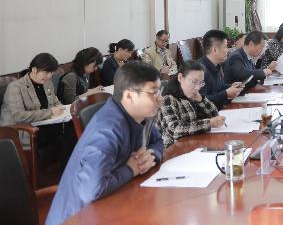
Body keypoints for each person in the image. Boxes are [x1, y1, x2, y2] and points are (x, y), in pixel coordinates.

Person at [46, 61, 165, 225]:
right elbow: (91, 190)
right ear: (129, 95)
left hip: (113, 201)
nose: (160, 98)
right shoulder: (107, 129)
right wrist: (132, 168)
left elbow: (158, 140)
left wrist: (150, 156)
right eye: (153, 92)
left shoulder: (140, 115)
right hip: (78, 216)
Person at [156, 60, 225, 147]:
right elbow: (174, 129)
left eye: (201, 83)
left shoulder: (191, 94)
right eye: (194, 82)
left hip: (192, 144)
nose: (197, 87)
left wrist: (201, 100)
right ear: (180, 78)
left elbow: (215, 116)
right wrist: (208, 123)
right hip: (173, 150)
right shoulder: (168, 99)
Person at [197, 29, 244, 109]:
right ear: (214, 49)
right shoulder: (199, 70)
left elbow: (219, 87)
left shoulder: (217, 65)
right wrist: (226, 94)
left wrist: (231, 86)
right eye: (225, 47)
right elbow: (201, 100)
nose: (227, 50)